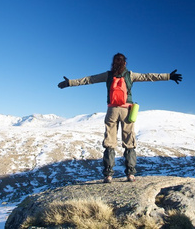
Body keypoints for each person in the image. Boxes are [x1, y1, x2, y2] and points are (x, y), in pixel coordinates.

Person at [58, 53, 182, 183]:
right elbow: (148, 76)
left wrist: (70, 83)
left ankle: (108, 175)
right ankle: (130, 174)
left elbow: (89, 79)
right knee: (129, 142)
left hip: (112, 110)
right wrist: (168, 76)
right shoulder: (130, 75)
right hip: (127, 111)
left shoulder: (108, 75)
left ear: (113, 63)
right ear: (125, 63)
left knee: (109, 142)